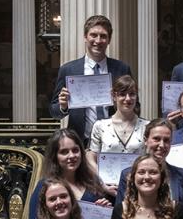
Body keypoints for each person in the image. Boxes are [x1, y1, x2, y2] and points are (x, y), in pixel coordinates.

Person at [49, 14, 133, 145]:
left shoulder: (121, 69)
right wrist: (63, 106)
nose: (98, 41)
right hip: (79, 143)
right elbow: (54, 112)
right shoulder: (68, 70)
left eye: (103, 36)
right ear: (85, 37)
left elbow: (136, 106)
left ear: (109, 40)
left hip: (115, 141)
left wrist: (120, 102)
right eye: (93, 35)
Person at [113, 117, 183, 217]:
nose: (162, 145)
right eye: (156, 139)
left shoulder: (182, 175)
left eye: (167, 140)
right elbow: (121, 214)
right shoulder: (127, 175)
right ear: (146, 140)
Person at [29, 128, 111, 219]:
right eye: (64, 152)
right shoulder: (44, 186)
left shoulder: (94, 182)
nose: (72, 156)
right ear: (55, 156)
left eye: (75, 150)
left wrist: (103, 211)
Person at [87, 75, 150, 189]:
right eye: (122, 94)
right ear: (114, 96)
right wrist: (102, 184)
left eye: (132, 94)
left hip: (139, 188)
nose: (128, 99)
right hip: (107, 189)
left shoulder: (147, 126)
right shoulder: (100, 126)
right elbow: (91, 158)